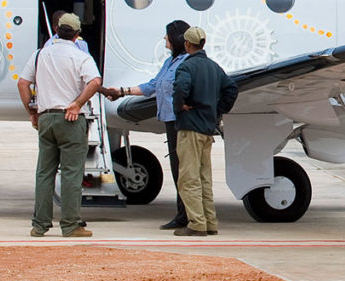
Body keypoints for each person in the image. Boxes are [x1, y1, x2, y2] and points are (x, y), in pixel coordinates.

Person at [16, 12, 101, 238]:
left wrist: (32, 112)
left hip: (46, 117)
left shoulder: (40, 55)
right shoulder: (80, 56)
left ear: (56, 30)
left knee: (44, 173)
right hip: (70, 119)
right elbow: (95, 81)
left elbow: (23, 83)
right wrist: (77, 104)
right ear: (76, 35)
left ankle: (39, 225)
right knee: (72, 173)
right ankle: (71, 224)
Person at [103, 20, 192, 229]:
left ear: (177, 39)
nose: (164, 40)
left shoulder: (188, 63)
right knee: (177, 168)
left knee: (185, 170)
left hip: (182, 121)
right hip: (171, 121)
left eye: (167, 36)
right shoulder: (171, 62)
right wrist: (122, 92)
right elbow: (152, 86)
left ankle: (188, 215)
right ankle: (184, 213)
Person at [170, 26, 238, 237]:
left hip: (190, 127)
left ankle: (197, 223)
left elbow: (181, 88)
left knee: (188, 178)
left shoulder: (186, 67)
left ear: (187, 44)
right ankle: (210, 221)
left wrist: (179, 105)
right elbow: (231, 89)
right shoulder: (214, 67)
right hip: (207, 128)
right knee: (204, 178)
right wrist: (218, 110)